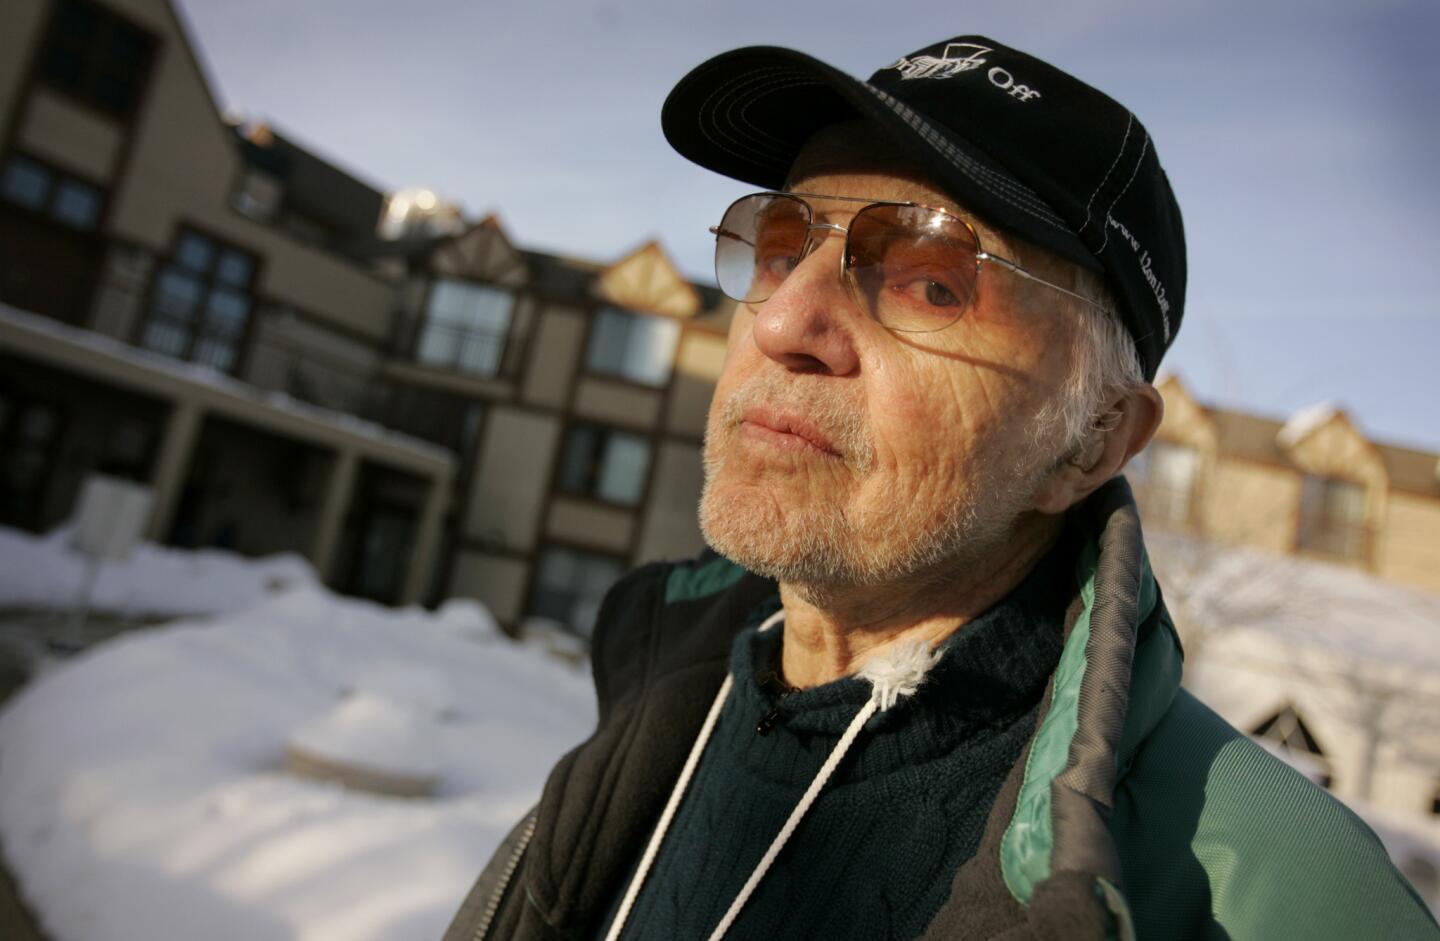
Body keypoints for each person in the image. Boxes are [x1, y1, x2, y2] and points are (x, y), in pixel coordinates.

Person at [445, 36, 1437, 941]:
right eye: (783, 245)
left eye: (930, 279)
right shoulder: (654, 696)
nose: (786, 318)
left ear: (1090, 442)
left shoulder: (1283, 898)